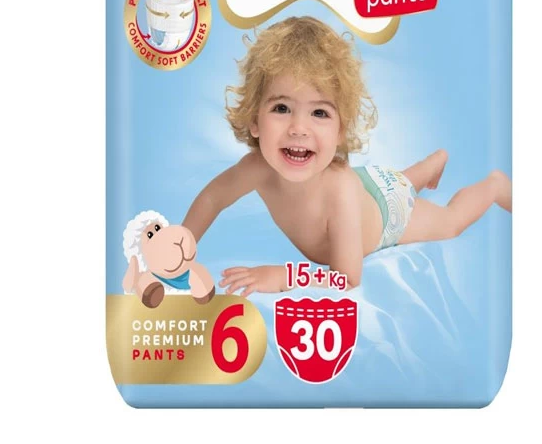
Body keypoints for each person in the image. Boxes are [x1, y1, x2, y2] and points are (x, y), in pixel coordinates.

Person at [182, 16, 511, 295]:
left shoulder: (339, 192)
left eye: (319, 113)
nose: (299, 128)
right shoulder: (256, 167)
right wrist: (181, 247)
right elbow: (213, 198)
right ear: (254, 119)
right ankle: (430, 166)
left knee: (450, 222)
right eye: (281, 108)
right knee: (399, 182)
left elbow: (348, 278)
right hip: (367, 186)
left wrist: (283, 276)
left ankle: (494, 186)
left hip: (387, 215)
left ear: (341, 129)